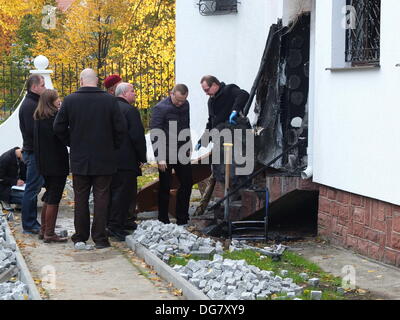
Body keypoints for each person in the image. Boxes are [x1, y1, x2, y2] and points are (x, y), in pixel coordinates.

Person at [54, 69, 126, 249]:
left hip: (80, 157)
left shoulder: (70, 100)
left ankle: (80, 236)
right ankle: (100, 238)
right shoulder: (109, 100)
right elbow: (121, 129)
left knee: (81, 198)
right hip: (104, 157)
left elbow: (58, 127)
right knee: (102, 197)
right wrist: (112, 146)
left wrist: (72, 142)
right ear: (97, 81)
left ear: (80, 81)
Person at [194, 75, 249, 216]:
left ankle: (236, 195)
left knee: (234, 168)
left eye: (207, 90)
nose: (206, 93)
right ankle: (228, 198)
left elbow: (244, 95)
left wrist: (235, 111)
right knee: (220, 169)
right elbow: (211, 122)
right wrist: (203, 139)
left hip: (235, 136)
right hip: (220, 137)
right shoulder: (211, 102)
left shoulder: (230, 90)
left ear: (215, 85)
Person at [107, 82, 147, 241]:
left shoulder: (108, 108)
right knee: (123, 195)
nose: (135, 93)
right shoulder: (130, 111)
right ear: (123, 93)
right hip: (126, 159)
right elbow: (137, 136)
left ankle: (110, 223)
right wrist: (141, 157)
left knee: (110, 193)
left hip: (108, 159)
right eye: (132, 91)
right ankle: (117, 226)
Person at [150, 84, 193, 226]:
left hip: (182, 151)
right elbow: (155, 133)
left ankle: (182, 218)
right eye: (178, 100)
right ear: (171, 93)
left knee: (187, 183)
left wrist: (189, 143)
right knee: (165, 186)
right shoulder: (160, 108)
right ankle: (163, 219)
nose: (181, 103)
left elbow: (186, 125)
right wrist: (160, 157)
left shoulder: (186, 105)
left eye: (183, 100)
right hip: (166, 153)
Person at [33, 89, 69, 243]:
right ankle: (49, 233)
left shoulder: (38, 117)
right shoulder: (54, 117)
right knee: (54, 197)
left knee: (48, 195)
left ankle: (43, 230)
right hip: (56, 163)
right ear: (51, 101)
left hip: (44, 163)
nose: (59, 100)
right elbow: (64, 136)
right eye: (57, 98)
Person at [18, 74, 46, 233]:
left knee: (34, 189)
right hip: (33, 152)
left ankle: (32, 223)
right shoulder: (30, 104)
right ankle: (29, 224)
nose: (45, 87)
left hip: (34, 152)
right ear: (34, 87)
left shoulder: (34, 102)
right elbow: (33, 131)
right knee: (32, 189)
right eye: (42, 85)